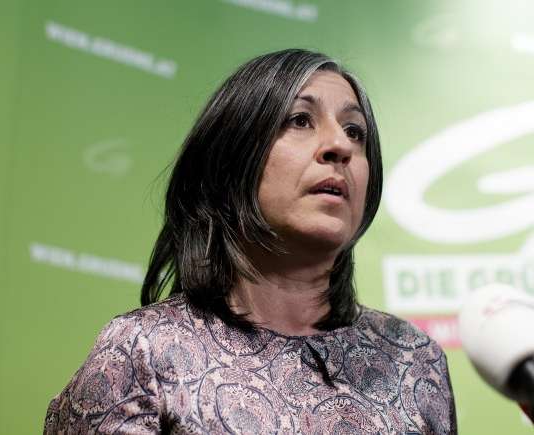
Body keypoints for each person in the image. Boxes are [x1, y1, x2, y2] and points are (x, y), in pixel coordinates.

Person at [44, 49, 457, 434]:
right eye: (300, 120)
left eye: (355, 131)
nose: (340, 146)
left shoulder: (413, 359)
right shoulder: (144, 352)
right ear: (230, 160)